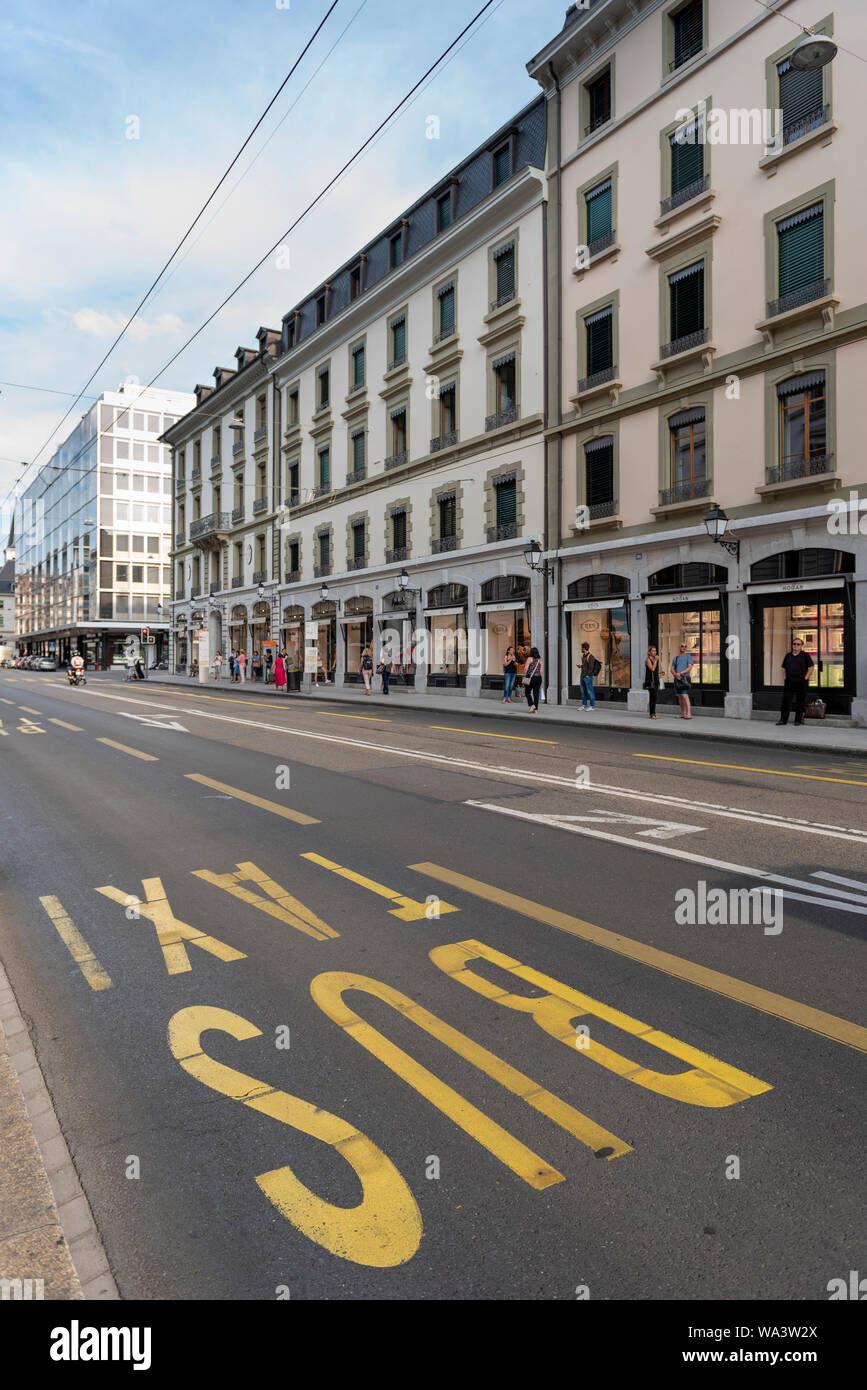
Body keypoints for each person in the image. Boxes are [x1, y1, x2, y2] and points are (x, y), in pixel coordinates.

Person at [777, 636, 814, 726]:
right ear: (792, 645)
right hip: (789, 682)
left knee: (800, 701)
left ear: (801, 646)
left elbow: (811, 667)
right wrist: (785, 677)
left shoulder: (805, 655)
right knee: (786, 701)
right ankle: (783, 720)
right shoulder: (788, 656)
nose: (796, 645)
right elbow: (783, 668)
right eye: (794, 644)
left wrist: (806, 677)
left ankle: (797, 720)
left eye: (798, 644)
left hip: (801, 682)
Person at [671, 642, 694, 719]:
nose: (683, 647)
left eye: (685, 646)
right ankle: (683, 714)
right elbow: (672, 669)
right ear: (679, 647)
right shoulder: (676, 658)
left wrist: (680, 673)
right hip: (677, 679)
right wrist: (675, 674)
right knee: (680, 697)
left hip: (684, 679)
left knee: (685, 696)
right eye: (682, 646)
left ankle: (689, 714)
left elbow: (689, 667)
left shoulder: (688, 656)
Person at [643, 646, 664, 718]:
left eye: (655, 651)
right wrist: (656, 661)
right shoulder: (648, 660)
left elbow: (655, 671)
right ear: (649, 652)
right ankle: (652, 714)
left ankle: (652, 714)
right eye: (653, 651)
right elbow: (652, 669)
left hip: (655, 680)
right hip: (650, 681)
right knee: (653, 697)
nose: (655, 652)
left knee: (654, 697)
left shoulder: (654, 659)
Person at [579, 641, 600, 711]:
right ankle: (584, 705)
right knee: (583, 692)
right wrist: (581, 666)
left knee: (590, 691)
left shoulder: (590, 656)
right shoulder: (583, 656)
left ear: (584, 648)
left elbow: (591, 667)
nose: (580, 649)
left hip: (588, 677)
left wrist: (588, 675)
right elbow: (585, 666)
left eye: (581, 648)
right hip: (582, 676)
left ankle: (591, 706)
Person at [524, 646, 543, 713]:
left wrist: (525, 675)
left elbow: (526, 668)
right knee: (536, 694)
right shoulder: (540, 660)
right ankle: (536, 709)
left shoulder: (529, 658)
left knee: (527, 692)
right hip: (538, 678)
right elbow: (541, 671)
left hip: (531, 678)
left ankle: (532, 705)